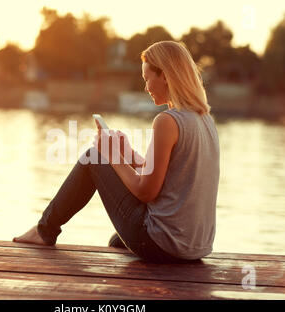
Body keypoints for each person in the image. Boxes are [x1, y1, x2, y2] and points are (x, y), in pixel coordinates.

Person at [13, 40, 220, 263]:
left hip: (163, 245)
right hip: (195, 247)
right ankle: (52, 229)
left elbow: (146, 192)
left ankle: (44, 230)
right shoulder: (205, 120)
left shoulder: (167, 121)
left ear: (166, 76)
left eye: (147, 78)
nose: (146, 87)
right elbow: (173, 176)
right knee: (117, 241)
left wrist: (110, 155)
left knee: (94, 158)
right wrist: (128, 155)